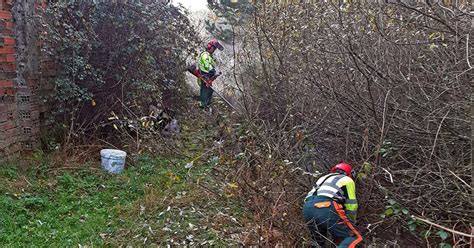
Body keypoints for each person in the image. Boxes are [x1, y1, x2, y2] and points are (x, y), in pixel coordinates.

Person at [303, 162, 363, 248]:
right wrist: (350, 222)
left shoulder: (322, 178)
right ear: (350, 173)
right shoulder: (348, 180)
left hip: (307, 208)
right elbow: (352, 205)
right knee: (352, 237)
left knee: (318, 243)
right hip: (325, 206)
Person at [197, 38, 223, 112]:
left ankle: (206, 107)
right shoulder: (205, 55)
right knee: (205, 90)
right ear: (209, 46)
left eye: (215, 48)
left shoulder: (210, 57)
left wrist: (217, 71)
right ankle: (203, 107)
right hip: (204, 75)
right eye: (213, 48)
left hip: (208, 76)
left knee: (210, 91)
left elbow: (213, 65)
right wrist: (212, 69)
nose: (214, 50)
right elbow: (207, 63)